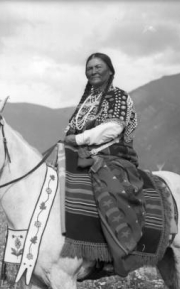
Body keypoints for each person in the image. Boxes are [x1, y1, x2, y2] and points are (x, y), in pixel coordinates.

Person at [63, 52, 144, 276]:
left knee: (110, 190)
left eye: (98, 67)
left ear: (110, 70)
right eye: (89, 68)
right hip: (80, 155)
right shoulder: (85, 102)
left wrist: (79, 139)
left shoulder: (118, 96)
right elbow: (70, 130)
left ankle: (113, 251)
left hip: (111, 156)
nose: (93, 71)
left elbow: (113, 128)